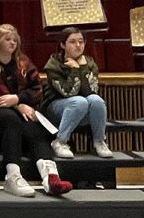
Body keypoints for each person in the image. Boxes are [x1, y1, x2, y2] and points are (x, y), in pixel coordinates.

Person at [0, 24, 73, 197]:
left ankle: (51, 178)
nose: (12, 43)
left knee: (35, 129)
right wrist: (17, 103)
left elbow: (37, 88)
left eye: (15, 40)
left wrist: (18, 100)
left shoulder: (23, 62)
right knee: (11, 118)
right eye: (7, 39)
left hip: (19, 113)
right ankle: (12, 176)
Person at [41, 27, 113, 159]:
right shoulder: (53, 64)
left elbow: (91, 91)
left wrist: (82, 68)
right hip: (56, 109)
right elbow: (68, 92)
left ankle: (99, 141)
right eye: (73, 42)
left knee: (96, 100)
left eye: (81, 41)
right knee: (80, 101)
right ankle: (60, 141)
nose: (78, 45)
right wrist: (74, 70)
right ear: (63, 44)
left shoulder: (90, 63)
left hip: (81, 108)